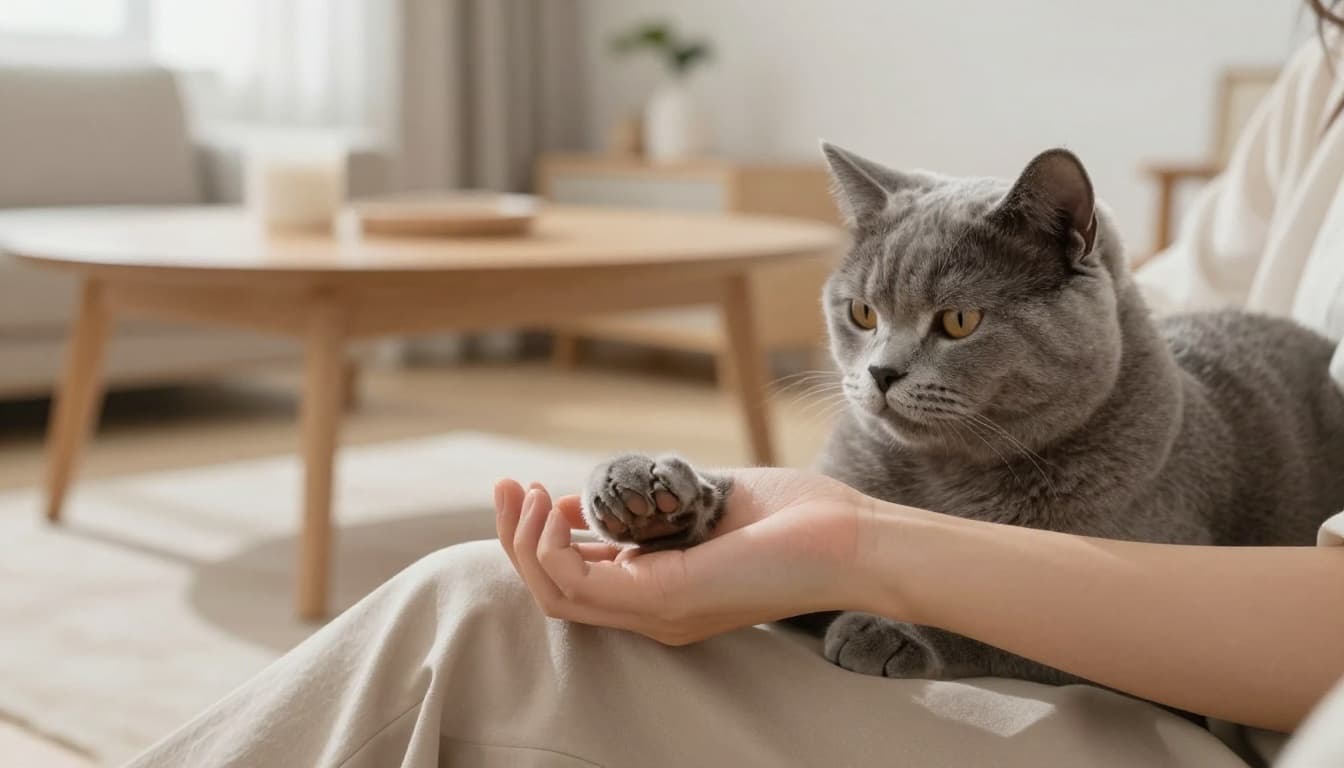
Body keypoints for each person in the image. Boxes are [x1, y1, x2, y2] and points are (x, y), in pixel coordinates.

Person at [125, 15, 1344, 768]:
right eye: (863, 319)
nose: (881, 371)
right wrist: (755, 522)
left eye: (954, 325)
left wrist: (860, 559)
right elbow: (1170, 292)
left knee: (476, 617)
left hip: (1232, 708)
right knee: (491, 599)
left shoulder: (1139, 441)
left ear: (1072, 258)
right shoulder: (1323, 66)